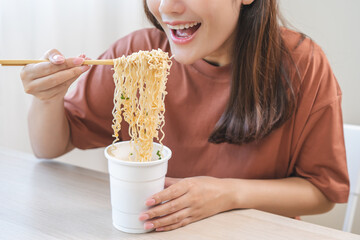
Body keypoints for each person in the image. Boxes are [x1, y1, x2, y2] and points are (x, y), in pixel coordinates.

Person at [20, 0, 349, 232]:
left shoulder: (301, 64)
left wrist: (225, 194)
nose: (166, 6)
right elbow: (49, 146)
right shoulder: (136, 57)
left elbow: (323, 192)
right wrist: (48, 98)